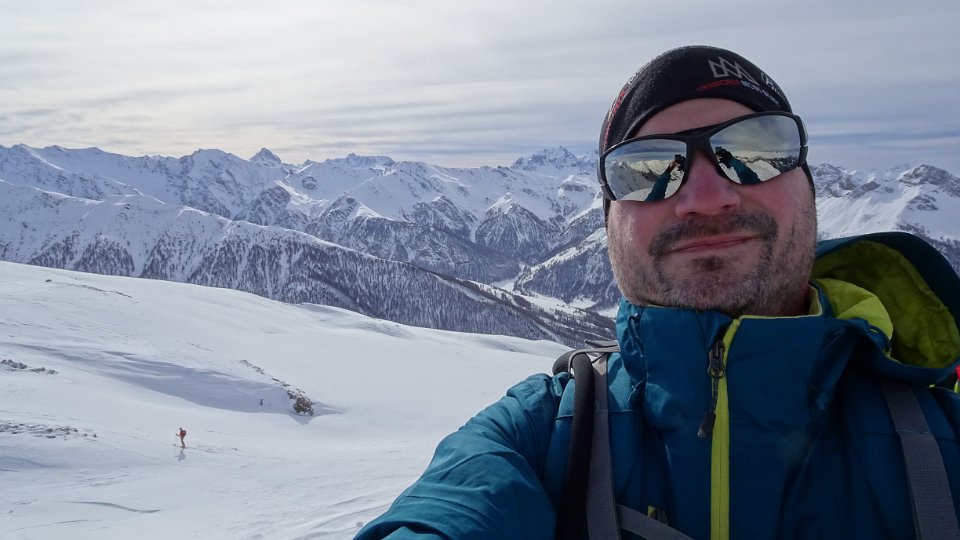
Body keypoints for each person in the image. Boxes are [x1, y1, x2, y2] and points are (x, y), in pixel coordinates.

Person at [356, 46, 960, 539]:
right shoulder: (537, 437)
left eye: (756, 150)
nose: (706, 197)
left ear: (808, 183)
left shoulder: (944, 434)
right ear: (609, 222)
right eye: (647, 169)